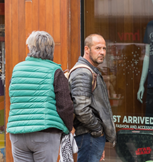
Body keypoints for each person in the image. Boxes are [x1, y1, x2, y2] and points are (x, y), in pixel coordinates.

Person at [6, 31, 74, 162]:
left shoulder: (17, 69)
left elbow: (13, 97)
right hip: (45, 132)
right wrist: (68, 128)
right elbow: (65, 106)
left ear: (29, 48)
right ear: (51, 49)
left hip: (18, 133)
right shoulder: (55, 72)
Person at [70, 34, 116, 162]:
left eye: (104, 48)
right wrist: (98, 131)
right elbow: (81, 109)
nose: (102, 52)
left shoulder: (90, 70)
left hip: (91, 136)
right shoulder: (83, 73)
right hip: (88, 135)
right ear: (87, 49)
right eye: (98, 48)